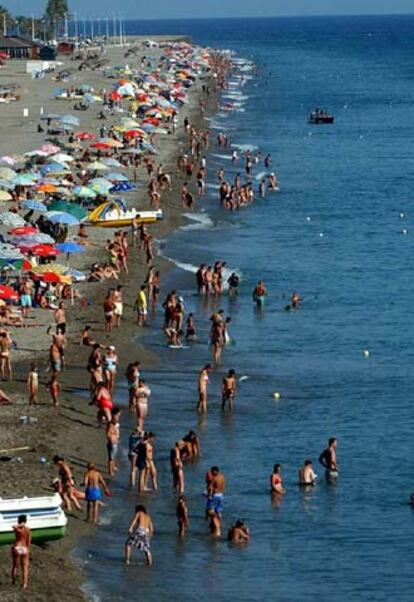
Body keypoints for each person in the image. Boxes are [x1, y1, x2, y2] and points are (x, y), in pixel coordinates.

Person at [11, 515, 30, 589]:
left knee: (15, 566)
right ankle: (24, 584)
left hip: (17, 546)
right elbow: (28, 541)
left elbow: (13, 526)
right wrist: (28, 549)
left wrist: (20, 524)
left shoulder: (17, 529)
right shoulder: (28, 529)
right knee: (25, 567)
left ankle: (13, 581)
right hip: (24, 547)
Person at [206, 466, 226, 537]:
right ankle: (219, 526)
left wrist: (208, 495)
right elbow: (224, 486)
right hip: (222, 495)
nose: (211, 473)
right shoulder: (223, 477)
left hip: (215, 495)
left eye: (212, 471)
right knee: (219, 512)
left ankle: (217, 529)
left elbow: (210, 488)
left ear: (215, 471)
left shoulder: (214, 478)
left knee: (211, 512)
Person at [106, 412, 120, 477]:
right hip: (112, 443)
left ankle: (113, 467)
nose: (117, 419)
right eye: (116, 417)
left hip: (115, 442)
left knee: (114, 455)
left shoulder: (115, 425)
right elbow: (108, 434)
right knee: (111, 458)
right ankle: (110, 471)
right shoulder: (111, 425)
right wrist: (112, 440)